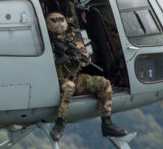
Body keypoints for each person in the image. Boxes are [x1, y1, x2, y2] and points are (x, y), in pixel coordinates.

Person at [46, 12, 128, 141]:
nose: (59, 36)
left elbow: (86, 59)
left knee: (104, 83)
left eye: (61, 33)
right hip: (55, 80)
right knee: (69, 87)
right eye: (56, 34)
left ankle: (107, 122)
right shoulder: (45, 41)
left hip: (75, 77)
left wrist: (75, 56)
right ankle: (60, 123)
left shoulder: (72, 37)